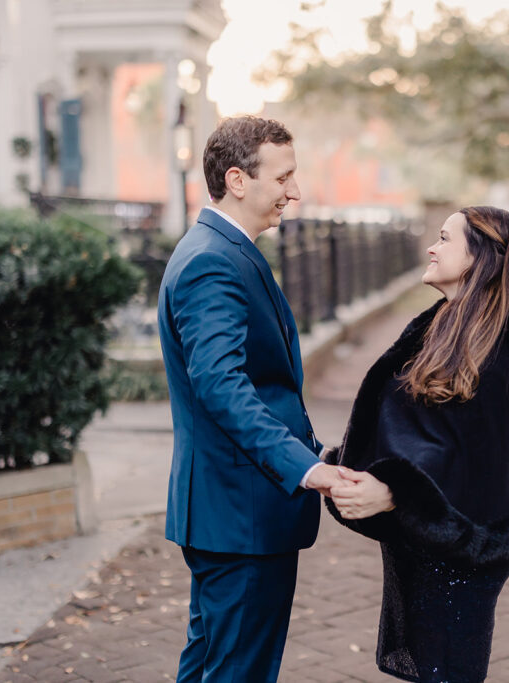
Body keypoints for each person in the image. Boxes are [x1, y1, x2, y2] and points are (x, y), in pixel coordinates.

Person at [324, 206, 509, 682]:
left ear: (481, 259)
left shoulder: (497, 348)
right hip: (427, 539)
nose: (431, 248)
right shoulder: (450, 328)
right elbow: (420, 430)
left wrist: (394, 491)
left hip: (456, 544)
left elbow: (466, 452)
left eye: (444, 239)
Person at [157, 115, 346, 682]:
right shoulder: (212, 261)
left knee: (216, 665)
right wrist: (304, 467)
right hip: (241, 513)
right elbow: (222, 386)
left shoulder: (222, 249)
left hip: (234, 511)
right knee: (237, 672)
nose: (294, 191)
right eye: (283, 177)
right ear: (237, 180)